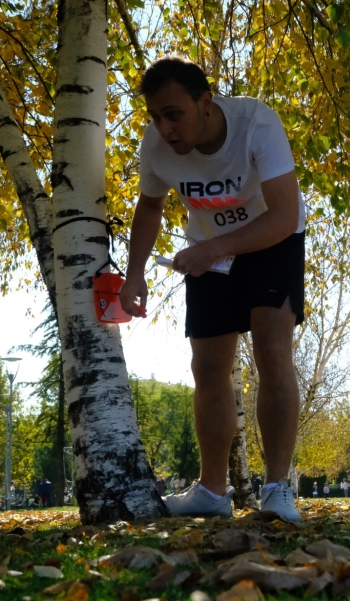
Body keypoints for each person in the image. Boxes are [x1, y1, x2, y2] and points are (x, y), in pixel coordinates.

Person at [120, 57, 305, 522]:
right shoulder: (155, 146)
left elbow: (285, 215)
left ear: (205, 102)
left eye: (173, 114)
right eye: (155, 117)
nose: (165, 129)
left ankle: (277, 489)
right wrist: (134, 273)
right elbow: (150, 207)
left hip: (273, 239)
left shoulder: (256, 123)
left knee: (271, 350)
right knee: (207, 366)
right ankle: (212, 492)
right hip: (209, 251)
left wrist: (212, 249)